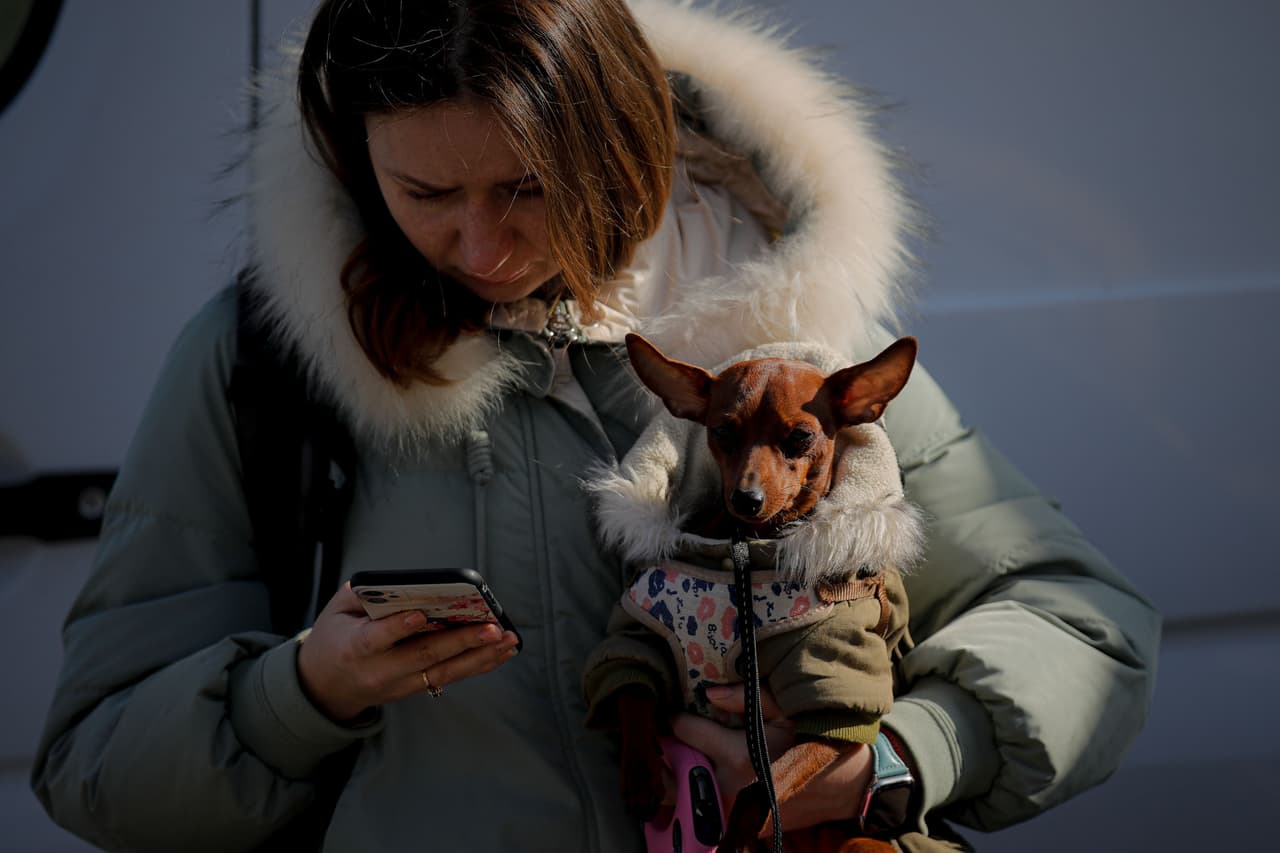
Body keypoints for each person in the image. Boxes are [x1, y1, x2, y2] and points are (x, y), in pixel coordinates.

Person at [31, 1, 1160, 851]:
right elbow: (94, 760)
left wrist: (891, 761)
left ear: (617, 145)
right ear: (352, 161)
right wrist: (304, 692)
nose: (478, 248)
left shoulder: (782, 331)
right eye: (423, 196)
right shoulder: (264, 359)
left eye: (524, 188)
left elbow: (1080, 623)